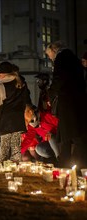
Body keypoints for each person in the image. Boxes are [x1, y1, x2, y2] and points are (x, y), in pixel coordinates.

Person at [45, 41, 87, 169]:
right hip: (77, 101)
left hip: (68, 102)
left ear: (54, 50)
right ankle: (72, 165)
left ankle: (70, 166)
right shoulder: (72, 57)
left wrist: (50, 95)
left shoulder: (61, 58)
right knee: (72, 136)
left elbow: (59, 79)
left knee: (70, 136)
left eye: (49, 54)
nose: (50, 58)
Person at [0, 61, 28, 164]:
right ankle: (16, 166)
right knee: (16, 147)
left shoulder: (0, 86)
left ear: (3, 73)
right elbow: (24, 100)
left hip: (5, 119)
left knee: (4, 146)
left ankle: (1, 165)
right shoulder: (20, 83)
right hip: (17, 118)